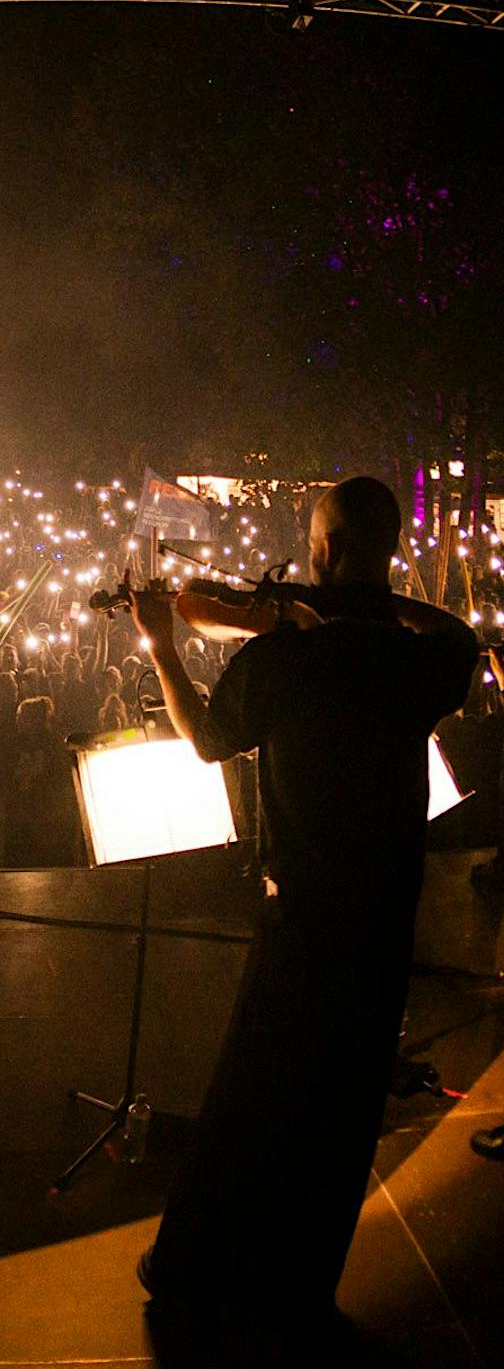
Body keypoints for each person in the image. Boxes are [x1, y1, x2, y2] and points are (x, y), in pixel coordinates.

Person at [129, 476, 480, 1310]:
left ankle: (189, 1267)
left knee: (253, 1090)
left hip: (303, 912)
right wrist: (361, 607)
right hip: (388, 907)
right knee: (348, 1098)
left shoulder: (284, 658)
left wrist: (164, 646)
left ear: (322, 548)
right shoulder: (416, 657)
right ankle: (306, 1279)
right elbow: (460, 633)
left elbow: (209, 740)